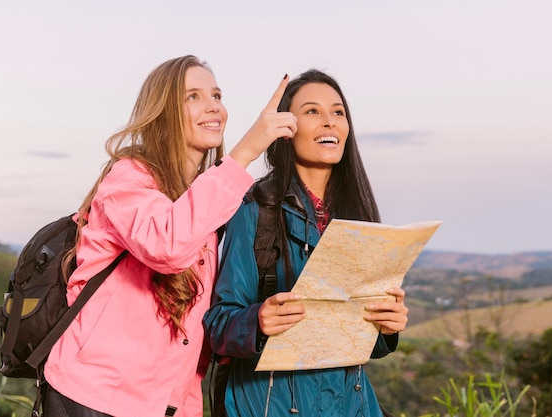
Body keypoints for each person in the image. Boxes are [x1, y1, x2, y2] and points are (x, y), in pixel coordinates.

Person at [42, 55, 297, 417]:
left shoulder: (204, 197)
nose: (214, 107)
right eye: (193, 96)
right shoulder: (128, 177)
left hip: (167, 405)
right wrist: (246, 151)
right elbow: (168, 247)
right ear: (162, 111)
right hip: (92, 397)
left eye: (217, 95)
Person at [203, 69, 409, 417]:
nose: (329, 122)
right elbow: (217, 325)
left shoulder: (359, 215)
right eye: (312, 111)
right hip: (269, 405)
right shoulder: (255, 209)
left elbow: (356, 341)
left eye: (338, 112)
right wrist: (258, 321)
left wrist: (385, 327)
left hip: (352, 404)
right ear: (286, 128)